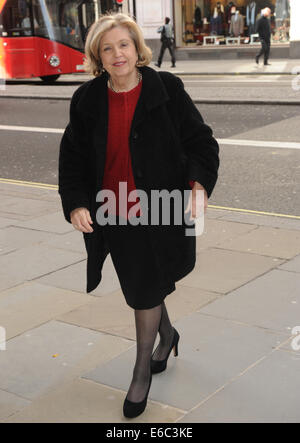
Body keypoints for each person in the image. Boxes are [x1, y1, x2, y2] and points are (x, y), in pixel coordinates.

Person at [58, 12, 219, 419]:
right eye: (107, 48)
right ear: (98, 55)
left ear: (137, 48)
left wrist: (198, 184)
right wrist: (76, 202)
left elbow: (201, 140)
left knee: (145, 286)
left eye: (124, 45)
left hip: (161, 208)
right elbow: (72, 157)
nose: (117, 54)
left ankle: (141, 368)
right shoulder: (88, 99)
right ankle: (168, 334)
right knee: (141, 282)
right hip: (113, 210)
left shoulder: (166, 88)